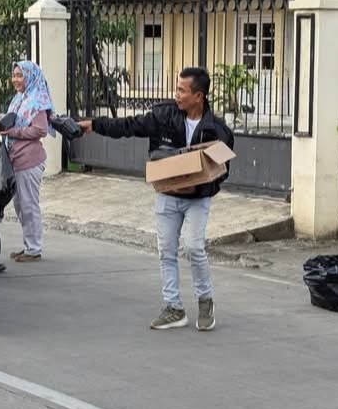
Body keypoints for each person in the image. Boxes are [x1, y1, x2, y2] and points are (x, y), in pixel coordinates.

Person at [78, 67, 234, 331]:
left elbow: (224, 169)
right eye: (177, 88)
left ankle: (205, 300)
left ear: (199, 96)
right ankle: (173, 307)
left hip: (198, 199)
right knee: (166, 251)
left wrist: (200, 181)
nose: (177, 95)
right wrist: (95, 125)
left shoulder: (217, 130)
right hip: (167, 195)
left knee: (194, 248)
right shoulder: (164, 116)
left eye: (182, 91)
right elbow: (129, 126)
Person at [1, 61, 54, 263]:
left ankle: (34, 249)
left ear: (30, 76)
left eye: (20, 75)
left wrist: (14, 132)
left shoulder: (37, 101)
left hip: (29, 160)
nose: (15, 79)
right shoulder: (19, 99)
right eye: (14, 75)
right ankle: (28, 245)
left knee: (29, 204)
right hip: (16, 159)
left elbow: (40, 129)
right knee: (19, 204)